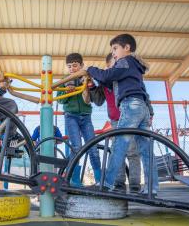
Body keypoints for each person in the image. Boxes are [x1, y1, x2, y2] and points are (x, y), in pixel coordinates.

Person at [85, 34, 158, 195]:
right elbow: (109, 82)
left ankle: (108, 183)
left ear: (127, 48)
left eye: (115, 49)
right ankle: (152, 188)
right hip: (142, 108)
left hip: (131, 105)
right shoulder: (134, 67)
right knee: (145, 149)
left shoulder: (125, 62)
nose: (114, 53)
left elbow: (107, 75)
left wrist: (90, 69)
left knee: (119, 144)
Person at [89, 53, 142, 193]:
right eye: (113, 64)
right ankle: (119, 182)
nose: (116, 67)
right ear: (108, 67)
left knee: (132, 151)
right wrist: (92, 87)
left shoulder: (125, 79)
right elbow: (99, 100)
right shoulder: (105, 81)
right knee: (116, 150)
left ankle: (135, 183)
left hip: (129, 117)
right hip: (115, 120)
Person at [57, 53, 101, 186]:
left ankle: (100, 180)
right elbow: (61, 101)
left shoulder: (87, 79)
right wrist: (66, 92)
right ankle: (74, 180)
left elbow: (92, 99)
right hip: (71, 116)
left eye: (75, 66)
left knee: (92, 147)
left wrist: (88, 85)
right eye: (69, 66)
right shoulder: (64, 80)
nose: (72, 69)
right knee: (76, 147)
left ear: (81, 65)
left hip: (86, 117)